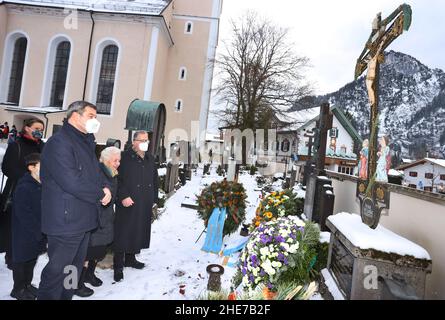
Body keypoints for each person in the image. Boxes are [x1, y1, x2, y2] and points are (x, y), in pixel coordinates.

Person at [37, 101, 112, 300]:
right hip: (65, 221)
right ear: (75, 116)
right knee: (57, 272)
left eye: (96, 116)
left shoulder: (85, 142)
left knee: (72, 270)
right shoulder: (59, 142)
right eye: (91, 116)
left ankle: (65, 297)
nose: (95, 120)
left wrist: (106, 187)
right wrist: (100, 193)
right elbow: (71, 181)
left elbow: (96, 172)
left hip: (82, 220)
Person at [75, 147, 121, 297]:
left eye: (119, 160)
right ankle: (77, 283)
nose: (118, 163)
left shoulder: (111, 172)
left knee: (98, 250)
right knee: (86, 253)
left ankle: (89, 274)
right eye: (115, 160)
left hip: (106, 217)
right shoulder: (98, 172)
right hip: (95, 218)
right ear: (106, 160)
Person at [113, 131, 158, 282]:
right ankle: (118, 265)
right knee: (123, 232)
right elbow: (116, 177)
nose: (146, 142)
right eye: (142, 140)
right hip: (127, 200)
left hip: (144, 201)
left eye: (147, 140)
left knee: (137, 230)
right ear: (134, 142)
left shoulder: (150, 158)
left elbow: (155, 179)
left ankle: (130, 259)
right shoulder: (124, 157)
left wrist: (154, 199)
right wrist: (123, 195)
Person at [0, 118, 45, 269]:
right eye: (36, 128)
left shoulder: (42, 147)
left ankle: (25, 262)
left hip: (38, 193)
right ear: (26, 128)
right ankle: (12, 258)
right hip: (17, 192)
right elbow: (7, 168)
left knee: (31, 227)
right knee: (15, 228)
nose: (40, 131)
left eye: (42, 129)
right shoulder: (16, 145)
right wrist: (29, 178)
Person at [10, 153, 46, 300]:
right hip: (24, 233)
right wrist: (37, 230)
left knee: (31, 259)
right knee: (21, 261)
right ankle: (18, 289)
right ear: (31, 167)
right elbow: (23, 213)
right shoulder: (24, 186)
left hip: (36, 232)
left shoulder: (40, 184)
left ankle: (27, 284)